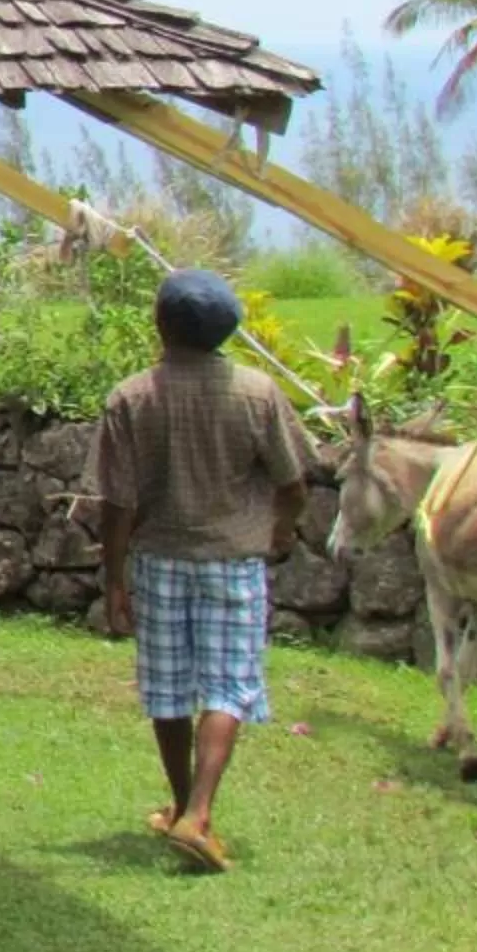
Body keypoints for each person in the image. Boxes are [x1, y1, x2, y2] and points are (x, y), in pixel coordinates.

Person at [93, 268, 310, 874]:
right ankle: (199, 813)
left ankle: (187, 804)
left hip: (160, 559)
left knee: (167, 688)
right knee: (228, 686)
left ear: (160, 325)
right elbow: (293, 484)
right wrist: (280, 528)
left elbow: (118, 502)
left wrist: (114, 578)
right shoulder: (257, 393)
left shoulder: (132, 397)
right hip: (233, 561)